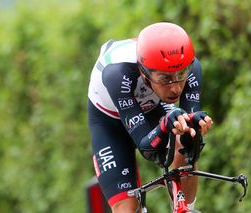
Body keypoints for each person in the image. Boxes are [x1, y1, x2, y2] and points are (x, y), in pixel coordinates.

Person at [87, 22, 213, 212]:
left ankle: (186, 208)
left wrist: (194, 126)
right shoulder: (117, 74)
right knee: (127, 207)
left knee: (184, 136)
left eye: (180, 74)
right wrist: (164, 125)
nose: (175, 88)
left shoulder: (193, 69)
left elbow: (188, 137)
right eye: (165, 78)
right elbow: (147, 147)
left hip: (152, 106)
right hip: (109, 122)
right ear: (144, 73)